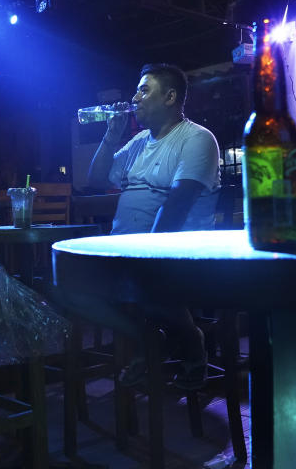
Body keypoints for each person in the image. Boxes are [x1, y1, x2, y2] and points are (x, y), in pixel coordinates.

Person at [86, 63, 221, 389]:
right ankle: (151, 341)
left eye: (144, 90)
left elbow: (176, 206)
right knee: (68, 286)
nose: (135, 98)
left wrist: (144, 254)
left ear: (170, 97)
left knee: (144, 282)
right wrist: (111, 133)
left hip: (176, 252)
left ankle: (189, 343)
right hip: (127, 251)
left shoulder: (197, 139)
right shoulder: (137, 143)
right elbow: (93, 180)